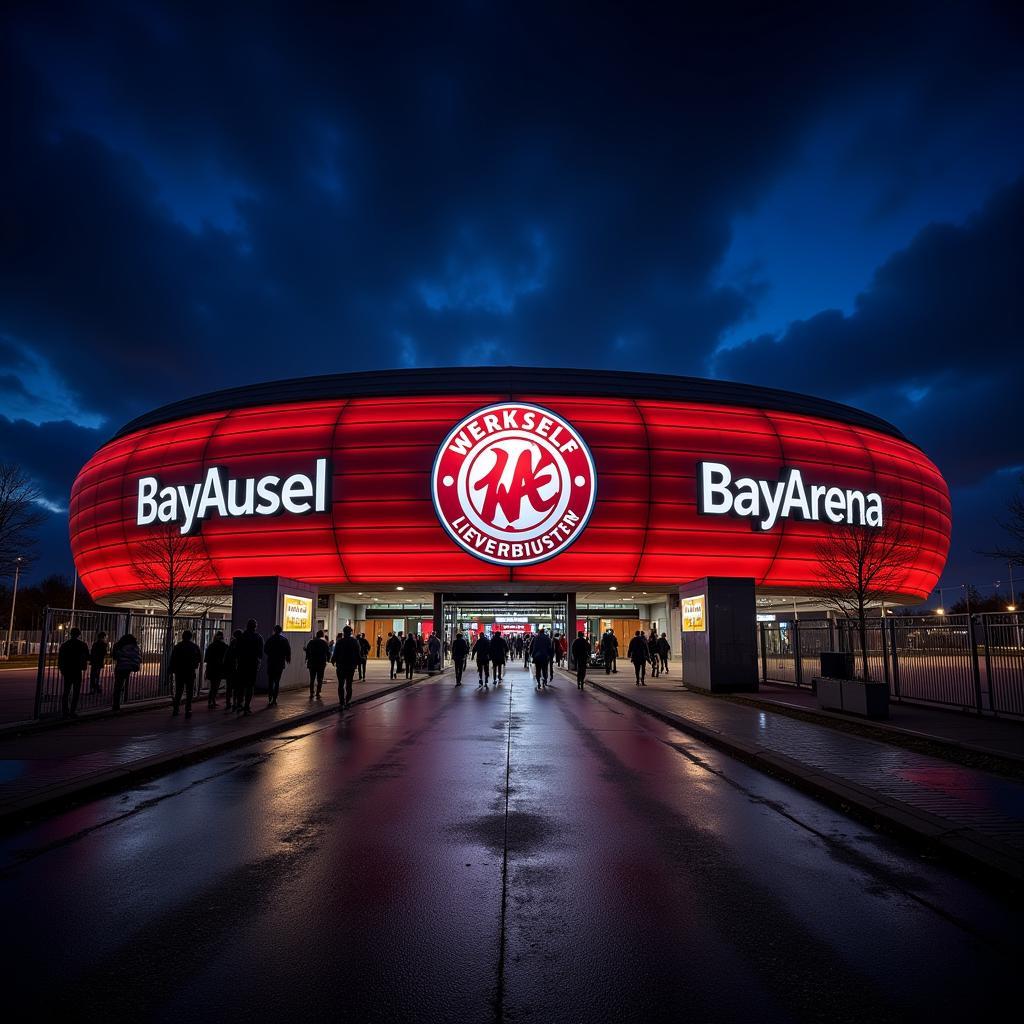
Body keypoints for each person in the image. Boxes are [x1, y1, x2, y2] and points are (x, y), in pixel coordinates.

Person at [58, 626, 90, 718]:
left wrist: (62, 669)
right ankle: (73, 711)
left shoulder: (65, 645)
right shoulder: (82, 645)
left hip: (67, 669)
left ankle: (65, 711)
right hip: (77, 670)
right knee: (76, 691)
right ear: (79, 635)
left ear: (70, 634)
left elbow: (61, 658)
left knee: (66, 691)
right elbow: (87, 656)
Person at [169, 629, 202, 718]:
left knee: (179, 691)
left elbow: (173, 659)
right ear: (191, 637)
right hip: (190, 671)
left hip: (179, 671)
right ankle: (188, 709)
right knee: (189, 691)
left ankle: (176, 709)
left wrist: (171, 670)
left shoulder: (178, 646)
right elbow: (199, 659)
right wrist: (195, 665)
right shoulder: (194, 647)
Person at [236, 618, 264, 715]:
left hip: (242, 663)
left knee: (241, 685)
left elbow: (237, 650)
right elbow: (260, 653)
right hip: (252, 664)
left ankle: (239, 703)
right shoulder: (258, 637)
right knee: (250, 686)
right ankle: (247, 706)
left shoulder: (241, 637)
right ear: (255, 627)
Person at [331, 625, 362, 710]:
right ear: (350, 632)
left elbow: (335, 653)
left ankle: (341, 702)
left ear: (344, 632)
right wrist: (358, 663)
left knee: (341, 684)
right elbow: (357, 653)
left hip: (340, 666)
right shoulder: (354, 642)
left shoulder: (339, 642)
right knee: (349, 684)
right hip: (350, 666)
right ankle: (347, 701)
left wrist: (333, 660)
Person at [111, 632, 142, 711]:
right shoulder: (134, 647)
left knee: (118, 684)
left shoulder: (118, 645)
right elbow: (138, 657)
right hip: (128, 667)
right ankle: (121, 698)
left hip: (120, 666)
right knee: (122, 683)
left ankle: (116, 703)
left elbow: (114, 656)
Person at [264, 624, 291, 707]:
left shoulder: (270, 639)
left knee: (270, 681)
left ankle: (270, 698)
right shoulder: (284, 640)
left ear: (274, 630)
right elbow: (288, 651)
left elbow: (265, 650)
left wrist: (271, 655)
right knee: (277, 681)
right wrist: (286, 658)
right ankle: (275, 699)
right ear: (281, 631)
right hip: (280, 663)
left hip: (271, 662)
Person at [204, 629, 228, 708]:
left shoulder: (211, 646)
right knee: (215, 686)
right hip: (219, 668)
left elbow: (206, 658)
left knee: (213, 686)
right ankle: (212, 701)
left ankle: (211, 701)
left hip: (211, 667)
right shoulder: (223, 646)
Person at [305, 629, 329, 699]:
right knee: (320, 678)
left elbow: (308, 652)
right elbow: (328, 652)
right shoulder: (324, 643)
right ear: (322, 635)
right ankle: (318, 692)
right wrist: (328, 659)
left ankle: (311, 692)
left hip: (312, 663)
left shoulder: (311, 642)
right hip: (321, 663)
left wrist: (307, 657)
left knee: (312, 679)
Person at [224, 629, 243, 711]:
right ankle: (237, 703)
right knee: (238, 688)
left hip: (230, 669)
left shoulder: (231, 646)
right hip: (238, 670)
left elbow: (226, 658)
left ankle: (229, 703)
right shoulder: (242, 645)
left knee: (229, 687)